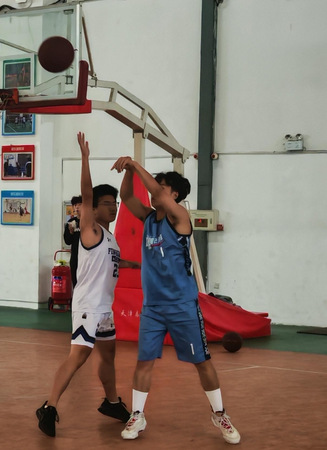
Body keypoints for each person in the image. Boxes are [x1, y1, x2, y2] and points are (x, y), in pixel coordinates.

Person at [111, 156, 241, 445]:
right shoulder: (148, 218)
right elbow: (127, 197)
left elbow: (156, 193)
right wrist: (129, 171)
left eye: (163, 186)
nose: (156, 190)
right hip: (153, 307)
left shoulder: (180, 216)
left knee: (202, 362)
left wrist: (135, 164)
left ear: (175, 194)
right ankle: (138, 415)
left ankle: (220, 414)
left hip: (182, 305)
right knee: (144, 361)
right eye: (157, 185)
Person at [36, 132, 135, 437]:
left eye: (115, 203)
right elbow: (86, 194)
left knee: (108, 355)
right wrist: (84, 158)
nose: (113, 208)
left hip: (104, 309)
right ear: (93, 209)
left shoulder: (110, 238)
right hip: (88, 307)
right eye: (106, 204)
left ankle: (112, 401)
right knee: (78, 356)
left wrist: (140, 265)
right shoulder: (90, 229)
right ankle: (49, 406)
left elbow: (112, 264)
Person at [63, 195, 83, 286]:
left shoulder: (90, 222)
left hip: (88, 258)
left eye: (80, 204)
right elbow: (67, 241)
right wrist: (71, 232)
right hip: (75, 257)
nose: (77, 207)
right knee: (75, 283)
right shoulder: (71, 222)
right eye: (75, 205)